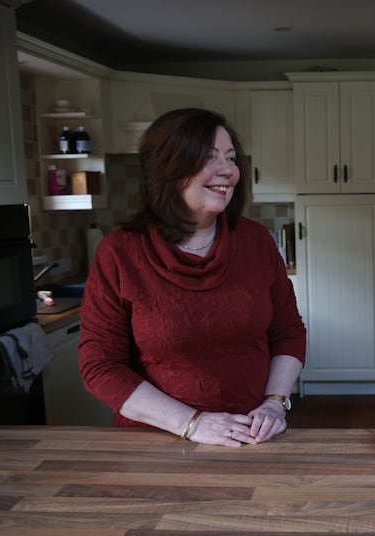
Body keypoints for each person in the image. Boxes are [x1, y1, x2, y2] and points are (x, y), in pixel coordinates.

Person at [78, 108, 305, 446]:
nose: (228, 170)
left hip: (251, 438)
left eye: (231, 158)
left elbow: (288, 332)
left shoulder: (255, 241)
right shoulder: (119, 253)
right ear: (168, 169)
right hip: (156, 444)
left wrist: (275, 404)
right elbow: (100, 366)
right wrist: (192, 424)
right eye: (210, 158)